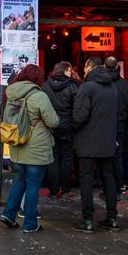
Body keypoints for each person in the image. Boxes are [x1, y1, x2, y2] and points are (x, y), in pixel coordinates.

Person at [0, 65, 59, 233]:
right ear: (37, 78)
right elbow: (53, 121)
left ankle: (9, 214)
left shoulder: (11, 93)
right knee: (33, 185)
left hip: (17, 145)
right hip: (36, 147)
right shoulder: (39, 96)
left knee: (20, 181)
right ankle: (30, 224)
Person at [70, 57, 122, 233]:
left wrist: (73, 127)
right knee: (108, 178)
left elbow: (79, 116)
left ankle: (88, 220)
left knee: (86, 180)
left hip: (87, 141)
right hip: (107, 140)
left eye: (85, 67)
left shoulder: (87, 87)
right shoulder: (112, 87)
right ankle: (112, 217)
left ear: (89, 67)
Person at [42, 61, 78, 199]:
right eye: (70, 71)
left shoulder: (46, 86)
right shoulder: (72, 86)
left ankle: (53, 189)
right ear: (66, 70)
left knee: (53, 157)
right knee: (67, 157)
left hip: (51, 126)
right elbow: (77, 107)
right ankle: (66, 188)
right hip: (67, 126)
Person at [104, 57, 128, 195]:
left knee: (105, 156)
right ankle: (119, 185)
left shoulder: (102, 82)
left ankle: (107, 185)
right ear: (117, 67)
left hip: (104, 124)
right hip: (120, 123)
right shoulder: (124, 83)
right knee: (118, 155)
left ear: (105, 67)